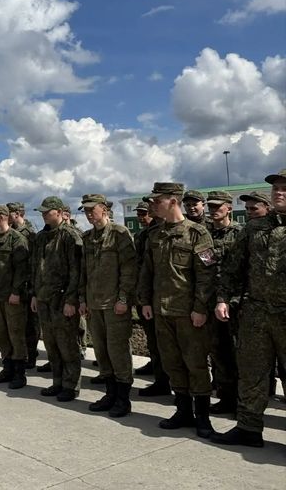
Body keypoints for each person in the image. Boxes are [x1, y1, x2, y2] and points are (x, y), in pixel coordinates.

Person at [211, 168, 286, 448]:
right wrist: (222, 298)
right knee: (251, 373)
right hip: (256, 314)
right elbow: (232, 267)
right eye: (276, 188)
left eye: (284, 188)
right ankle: (248, 429)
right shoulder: (255, 227)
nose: (278, 192)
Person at [138, 183, 216, 439]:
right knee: (172, 363)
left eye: (157, 200)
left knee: (195, 364)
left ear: (172, 201)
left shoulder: (197, 233)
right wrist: (146, 301)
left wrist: (200, 308)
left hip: (188, 312)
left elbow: (206, 275)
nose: (153, 205)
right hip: (162, 311)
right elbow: (147, 271)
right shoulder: (155, 234)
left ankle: (202, 416)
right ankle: (183, 411)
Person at [77, 195, 137, 417]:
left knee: (118, 350)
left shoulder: (120, 234)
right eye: (85, 210)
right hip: (94, 304)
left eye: (92, 209)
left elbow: (129, 270)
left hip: (114, 304)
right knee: (101, 351)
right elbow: (84, 272)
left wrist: (123, 299)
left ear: (104, 209)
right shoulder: (87, 237)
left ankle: (123, 398)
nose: (89, 213)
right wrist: (83, 300)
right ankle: (110, 393)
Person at [31, 197, 83, 402]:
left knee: (67, 344)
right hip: (44, 297)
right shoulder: (41, 237)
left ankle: (71, 385)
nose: (43, 215)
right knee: (51, 344)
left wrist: (72, 300)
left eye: (47, 211)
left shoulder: (70, 236)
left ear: (60, 212)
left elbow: (76, 271)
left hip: (62, 298)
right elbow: (36, 268)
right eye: (42, 212)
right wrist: (35, 294)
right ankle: (58, 381)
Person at [204, 190, 243, 415]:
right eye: (210, 206)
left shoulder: (240, 232)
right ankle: (226, 398)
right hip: (212, 302)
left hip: (235, 303)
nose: (213, 210)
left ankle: (242, 402)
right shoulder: (205, 234)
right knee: (218, 352)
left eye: (218, 206)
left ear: (229, 207)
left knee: (238, 353)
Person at [0, 205, 32, 388]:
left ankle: (20, 373)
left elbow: (22, 269)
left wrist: (16, 292)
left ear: (3, 217)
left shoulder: (17, 239)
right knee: (1, 334)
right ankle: (8, 367)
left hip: (12, 296)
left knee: (16, 334)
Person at [133, 201, 172, 397]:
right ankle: (162, 380)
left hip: (173, 298)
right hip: (149, 296)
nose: (144, 214)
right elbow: (141, 267)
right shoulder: (145, 234)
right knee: (155, 343)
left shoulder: (180, 229)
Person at [8, 202, 39, 368]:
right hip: (16, 284)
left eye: (10, 213)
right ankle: (21, 354)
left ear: (18, 213)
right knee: (18, 323)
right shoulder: (11, 233)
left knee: (31, 325)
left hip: (27, 285)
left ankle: (31, 356)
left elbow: (32, 261)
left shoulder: (29, 233)